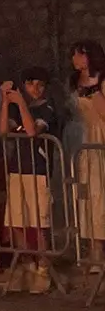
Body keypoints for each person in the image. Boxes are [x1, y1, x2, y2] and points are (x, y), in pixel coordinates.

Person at [0, 68, 58, 294]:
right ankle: (27, 265)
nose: (36, 89)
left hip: (38, 171)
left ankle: (43, 268)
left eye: (40, 85)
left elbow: (32, 131)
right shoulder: (15, 108)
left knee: (39, 223)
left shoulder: (47, 109)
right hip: (17, 170)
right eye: (32, 85)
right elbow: (3, 130)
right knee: (16, 221)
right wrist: (5, 101)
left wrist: (22, 104)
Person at [68, 41, 105, 272]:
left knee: (100, 195)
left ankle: (99, 252)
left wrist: (94, 94)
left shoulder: (101, 79)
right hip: (81, 140)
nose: (73, 58)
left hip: (100, 139)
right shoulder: (73, 81)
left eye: (77, 54)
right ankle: (92, 250)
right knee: (86, 197)